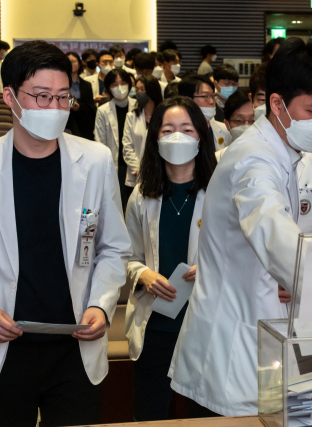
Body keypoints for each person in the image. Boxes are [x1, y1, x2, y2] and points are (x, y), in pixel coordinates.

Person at [0, 39, 131, 426]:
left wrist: (100, 303)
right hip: (3, 347)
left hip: (75, 348)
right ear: (10, 97)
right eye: (42, 97)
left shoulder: (95, 161)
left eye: (62, 98)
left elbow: (113, 249)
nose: (54, 109)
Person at [168, 37, 312, 417]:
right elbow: (272, 230)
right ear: (277, 104)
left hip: (267, 338)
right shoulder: (253, 159)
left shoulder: (288, 152)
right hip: (234, 347)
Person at [125, 96, 216, 421]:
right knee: (150, 414)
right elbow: (128, 255)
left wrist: (210, 269)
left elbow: (239, 256)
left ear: (202, 135)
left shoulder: (221, 191)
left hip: (204, 324)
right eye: (168, 129)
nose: (177, 137)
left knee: (205, 415)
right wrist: (142, 275)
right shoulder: (142, 193)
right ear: (155, 137)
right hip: (157, 324)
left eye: (186, 129)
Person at [95, 68, 138, 210]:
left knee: (135, 206)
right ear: (108, 88)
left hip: (135, 165)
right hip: (115, 164)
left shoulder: (138, 107)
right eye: (114, 84)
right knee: (117, 205)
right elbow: (99, 141)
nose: (120, 87)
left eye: (123, 82)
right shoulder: (103, 110)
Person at [120, 75, 164, 208]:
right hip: (136, 173)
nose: (138, 93)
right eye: (137, 89)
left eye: (142, 89)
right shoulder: (132, 116)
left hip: (160, 172)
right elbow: (127, 146)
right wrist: (138, 168)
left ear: (152, 91)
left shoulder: (164, 115)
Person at [177, 75, 231, 151]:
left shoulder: (225, 130)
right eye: (205, 96)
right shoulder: (176, 132)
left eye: (212, 96)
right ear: (188, 100)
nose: (212, 102)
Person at [65, 51, 97, 141]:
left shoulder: (86, 84)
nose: (71, 63)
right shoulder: (60, 84)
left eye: (73, 61)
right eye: (68, 61)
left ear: (79, 64)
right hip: (66, 123)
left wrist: (79, 106)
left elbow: (91, 106)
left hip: (83, 124)